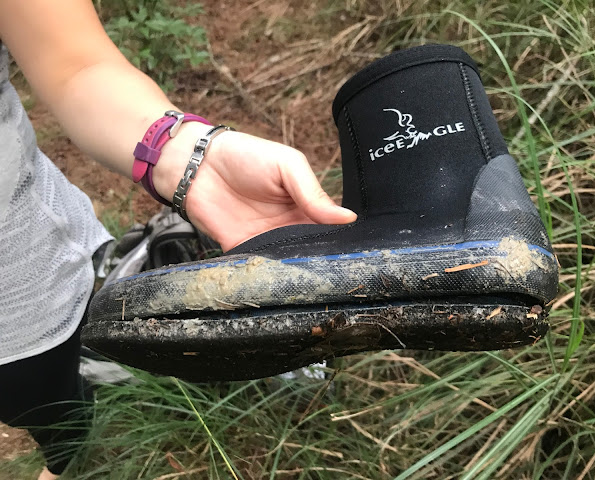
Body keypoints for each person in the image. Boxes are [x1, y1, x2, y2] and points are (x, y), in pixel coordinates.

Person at [0, 1, 357, 478]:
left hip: (23, 290)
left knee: (41, 402)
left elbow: (76, 65)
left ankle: (64, 460)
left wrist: (187, 154)